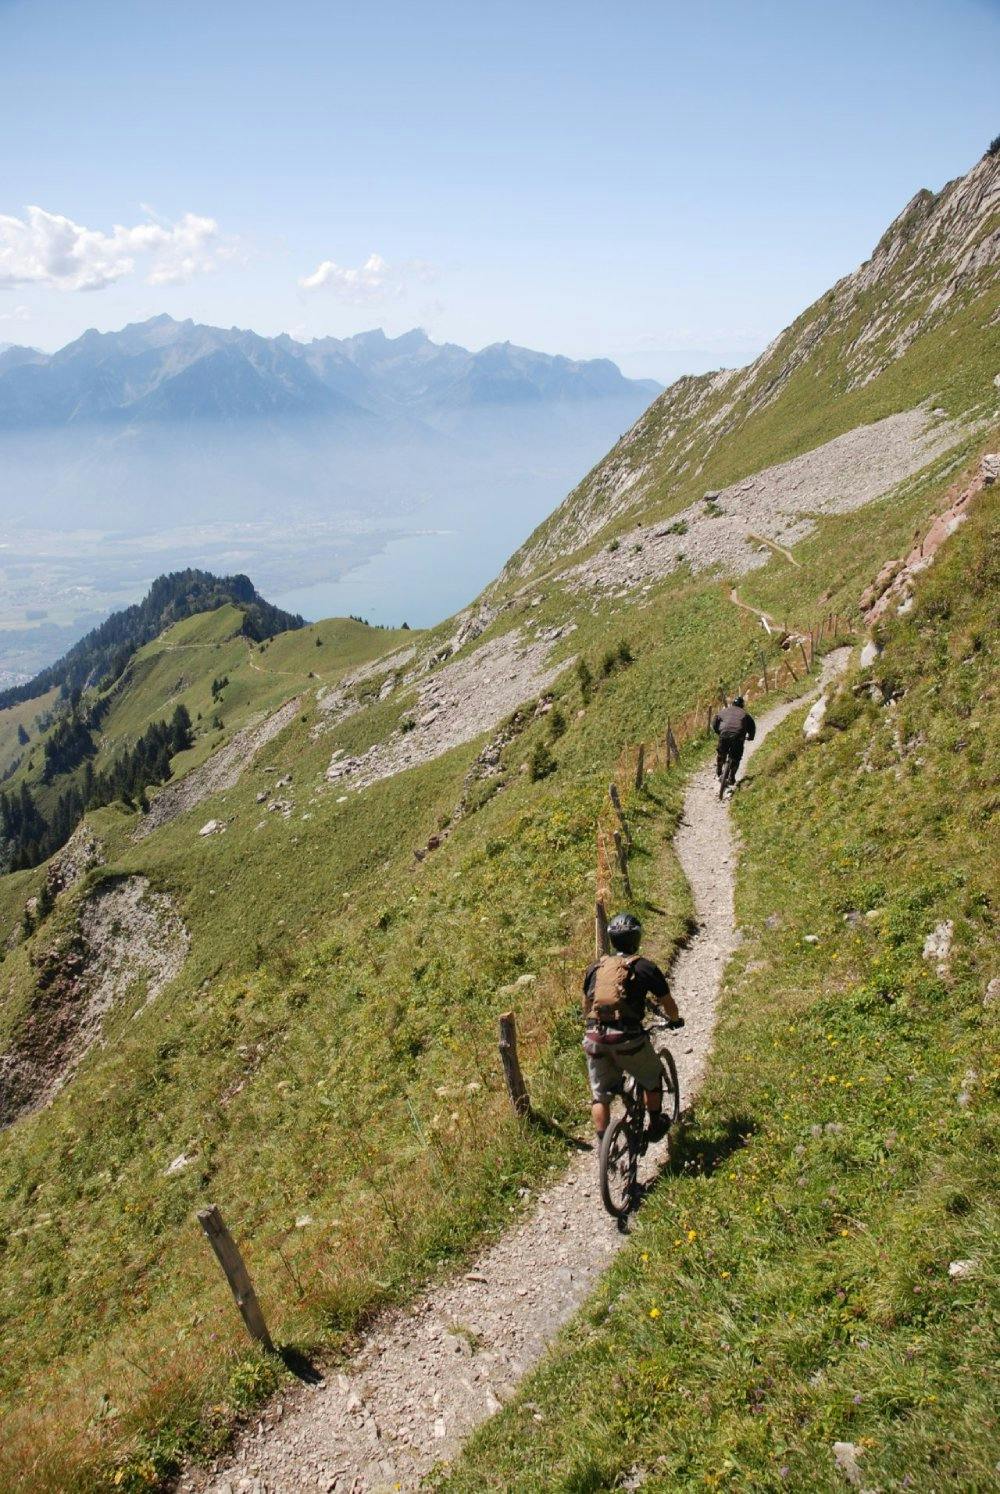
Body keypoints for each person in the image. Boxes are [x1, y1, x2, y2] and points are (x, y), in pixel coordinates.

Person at [582, 912, 683, 1146]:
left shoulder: (596, 967)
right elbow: (667, 1002)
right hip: (627, 1038)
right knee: (652, 1076)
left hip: (595, 1036)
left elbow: (586, 1005)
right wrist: (675, 1019)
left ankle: (605, 1148)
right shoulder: (644, 967)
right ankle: (655, 1123)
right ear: (636, 939)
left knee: (600, 1096)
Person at [712, 694, 756, 785]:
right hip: (738, 736)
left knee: (721, 753)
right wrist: (751, 737)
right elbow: (752, 727)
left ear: (732, 704)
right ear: (742, 705)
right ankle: (731, 777)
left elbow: (715, 722)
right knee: (736, 757)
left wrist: (719, 732)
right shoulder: (745, 714)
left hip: (724, 734)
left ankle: (719, 768)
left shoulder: (724, 711)